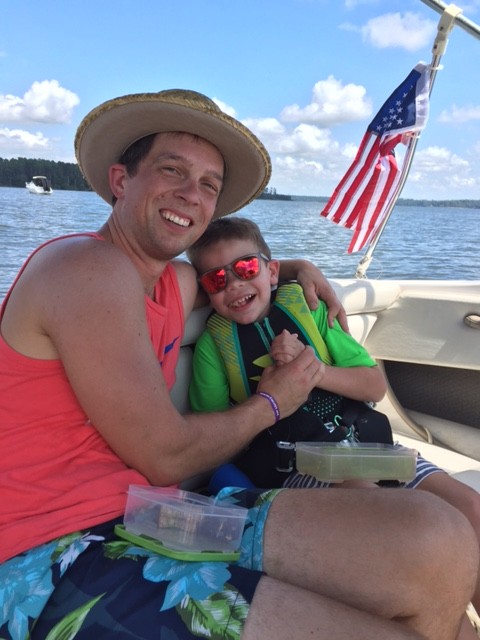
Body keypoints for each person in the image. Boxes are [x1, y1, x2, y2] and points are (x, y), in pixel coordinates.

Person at [0, 88, 477, 640]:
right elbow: (164, 455)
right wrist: (274, 401)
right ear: (120, 181)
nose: (191, 194)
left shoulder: (168, 283)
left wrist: (292, 265)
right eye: (172, 169)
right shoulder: (86, 265)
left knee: (436, 539)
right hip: (53, 549)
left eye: (208, 184)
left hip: (149, 516)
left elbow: (222, 281)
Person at [187, 215, 480, 631]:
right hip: (301, 465)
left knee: (470, 507)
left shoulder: (309, 311)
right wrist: (270, 396)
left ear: (271, 272)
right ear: (207, 292)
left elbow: (374, 384)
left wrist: (316, 371)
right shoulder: (213, 349)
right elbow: (213, 438)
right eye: (216, 280)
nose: (234, 285)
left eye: (246, 269)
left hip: (367, 446)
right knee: (378, 511)